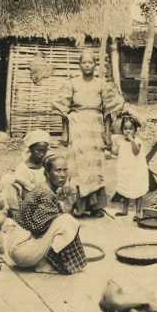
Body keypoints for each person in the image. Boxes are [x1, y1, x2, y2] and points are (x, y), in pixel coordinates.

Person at [53, 48, 125, 217]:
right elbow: (63, 109)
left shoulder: (101, 85)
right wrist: (65, 132)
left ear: (94, 65)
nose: (87, 65)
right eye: (83, 62)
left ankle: (95, 206)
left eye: (90, 62)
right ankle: (79, 206)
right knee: (77, 166)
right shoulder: (72, 84)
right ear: (79, 65)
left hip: (95, 126)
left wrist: (107, 134)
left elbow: (108, 112)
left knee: (94, 166)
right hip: (77, 126)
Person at [2, 153, 86, 274]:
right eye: (57, 171)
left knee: (62, 219)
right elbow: (38, 228)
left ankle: (45, 260)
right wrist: (60, 212)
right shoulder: (46, 193)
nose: (62, 175)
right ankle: (43, 264)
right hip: (21, 251)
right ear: (46, 173)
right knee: (67, 221)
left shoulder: (43, 187)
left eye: (65, 170)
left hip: (17, 247)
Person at [0, 129, 50, 214]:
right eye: (38, 150)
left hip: (46, 200)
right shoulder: (23, 168)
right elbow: (24, 194)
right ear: (30, 149)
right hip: (28, 202)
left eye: (44, 151)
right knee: (7, 179)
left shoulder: (47, 164)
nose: (41, 154)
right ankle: (16, 214)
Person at [114, 114, 150, 220]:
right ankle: (125, 210)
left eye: (131, 128)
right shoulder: (121, 142)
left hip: (136, 170)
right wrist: (108, 147)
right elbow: (116, 152)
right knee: (125, 188)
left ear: (135, 130)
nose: (128, 131)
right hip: (125, 170)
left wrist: (132, 141)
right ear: (122, 130)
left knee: (137, 189)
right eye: (125, 129)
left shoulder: (137, 141)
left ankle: (138, 212)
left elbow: (135, 152)